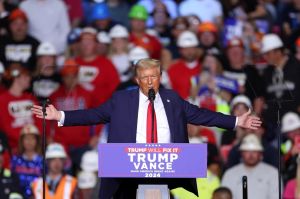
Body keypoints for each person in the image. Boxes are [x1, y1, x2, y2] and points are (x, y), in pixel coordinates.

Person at [32, 58, 261, 199]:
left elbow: (200, 115)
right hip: (129, 171)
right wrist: (59, 115)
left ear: (160, 77)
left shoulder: (173, 100)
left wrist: (236, 121)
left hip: (166, 167)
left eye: (154, 76)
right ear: (137, 80)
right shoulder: (121, 101)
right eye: (145, 77)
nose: (150, 81)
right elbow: (95, 114)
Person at [221, 134, 278, 199]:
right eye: (247, 151)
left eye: (254, 151)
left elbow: (275, 196)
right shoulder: (230, 173)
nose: (251, 155)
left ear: (260, 153)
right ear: (241, 153)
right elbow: (225, 196)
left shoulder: (273, 173)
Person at [0, 63, 41, 152]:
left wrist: (33, 140)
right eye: (26, 76)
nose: (29, 78)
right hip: (14, 148)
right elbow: (6, 127)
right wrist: (25, 141)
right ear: (16, 77)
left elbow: (40, 120)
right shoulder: (2, 100)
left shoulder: (31, 98)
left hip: (35, 146)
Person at [11, 124, 43, 199]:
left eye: (32, 138)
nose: (29, 142)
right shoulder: (15, 160)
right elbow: (12, 181)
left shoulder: (42, 160)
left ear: (37, 141)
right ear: (21, 141)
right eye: (26, 139)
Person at [168, 30, 202, 99]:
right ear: (180, 50)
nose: (189, 52)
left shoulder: (204, 67)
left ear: (196, 49)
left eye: (192, 48)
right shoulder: (173, 69)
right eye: (185, 49)